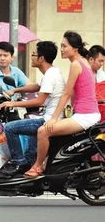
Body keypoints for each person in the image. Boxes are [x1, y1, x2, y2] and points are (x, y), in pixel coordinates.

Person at [24, 31, 100, 178]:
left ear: (75, 48)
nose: (62, 49)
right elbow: (73, 93)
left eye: (65, 46)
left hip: (85, 115)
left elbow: (66, 93)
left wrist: (53, 117)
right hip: (84, 113)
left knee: (43, 131)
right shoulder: (82, 62)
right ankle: (48, 164)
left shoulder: (76, 64)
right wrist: (70, 113)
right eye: (61, 46)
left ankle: (38, 166)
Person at [0, 41, 65, 175]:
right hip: (50, 117)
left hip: (48, 120)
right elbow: (36, 86)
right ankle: (28, 163)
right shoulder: (52, 72)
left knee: (10, 128)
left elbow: (39, 101)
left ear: (41, 58)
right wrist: (15, 90)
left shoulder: (51, 75)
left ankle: (18, 161)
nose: (32, 57)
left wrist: (12, 104)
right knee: (29, 132)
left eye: (34, 54)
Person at [0, 42, 28, 109]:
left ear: (12, 57)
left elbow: (29, 85)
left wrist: (16, 90)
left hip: (12, 110)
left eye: (5, 55)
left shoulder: (16, 71)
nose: (2, 58)